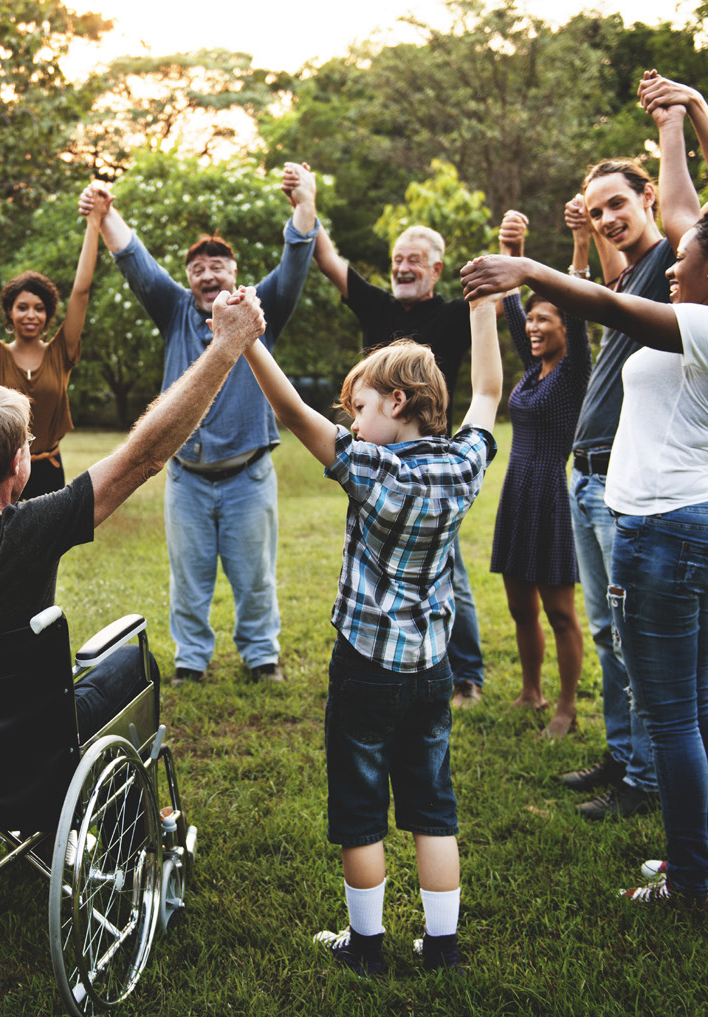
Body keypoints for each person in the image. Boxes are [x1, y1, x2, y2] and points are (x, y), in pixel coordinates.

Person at [461, 75, 708, 908]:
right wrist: (675, 120)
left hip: (668, 531)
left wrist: (529, 267)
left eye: (685, 261)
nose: (672, 268)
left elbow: (606, 302)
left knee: (674, 716)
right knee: (694, 704)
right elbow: (688, 212)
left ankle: (687, 879)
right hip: (705, 521)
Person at [0, 231, 269, 730]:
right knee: (135, 664)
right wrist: (227, 346)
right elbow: (144, 456)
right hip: (27, 734)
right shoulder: (33, 529)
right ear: (21, 464)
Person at [239, 278, 503, 977]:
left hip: (363, 666)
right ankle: (441, 947)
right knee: (432, 807)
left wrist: (249, 343)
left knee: (359, 806)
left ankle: (367, 945)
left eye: (358, 408)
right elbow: (486, 395)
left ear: (396, 403)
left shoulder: (371, 468)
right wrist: (482, 314)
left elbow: (294, 414)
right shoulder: (463, 464)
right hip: (430, 669)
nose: (351, 422)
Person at [556, 72, 708, 820]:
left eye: (617, 204)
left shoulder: (678, 268)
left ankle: (647, 782)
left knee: (646, 659)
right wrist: (582, 233)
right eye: (596, 207)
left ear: (648, 202)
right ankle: (625, 754)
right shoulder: (651, 271)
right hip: (594, 473)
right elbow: (608, 277)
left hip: (642, 496)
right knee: (611, 637)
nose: (608, 217)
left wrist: (681, 118)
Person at [84, 164, 319, 685]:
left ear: (234, 272)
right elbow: (134, 260)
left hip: (249, 476)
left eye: (218, 265)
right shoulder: (173, 312)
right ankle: (192, 662)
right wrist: (106, 212)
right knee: (188, 580)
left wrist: (305, 202)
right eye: (198, 269)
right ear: (189, 279)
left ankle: (262, 658)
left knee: (254, 578)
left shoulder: (261, 311)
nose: (208, 275)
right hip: (186, 478)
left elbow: (297, 257)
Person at [299, 173, 485, 706]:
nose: (403, 267)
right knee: (375, 557)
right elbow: (329, 261)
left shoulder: (452, 314)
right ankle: (380, 651)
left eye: (415, 260)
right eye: (398, 258)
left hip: (430, 464)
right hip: (374, 459)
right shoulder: (378, 306)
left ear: (437, 269)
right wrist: (309, 204)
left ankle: (465, 673)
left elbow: (492, 358)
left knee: (447, 567)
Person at [488, 209, 591, 739]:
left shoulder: (574, 371)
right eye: (530, 320)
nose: (531, 325)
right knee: (519, 605)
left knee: (559, 610)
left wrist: (578, 246)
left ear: (564, 328)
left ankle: (567, 708)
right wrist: (513, 248)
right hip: (516, 491)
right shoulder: (533, 370)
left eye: (543, 319)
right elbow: (508, 304)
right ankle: (531, 691)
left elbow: (575, 301)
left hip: (551, 491)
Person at [0, 191, 105, 500]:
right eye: (22, 307)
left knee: (48, 549)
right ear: (9, 312)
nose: (30, 315)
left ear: (49, 315)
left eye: (39, 308)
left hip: (48, 468)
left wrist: (94, 222)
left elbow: (81, 291)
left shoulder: (61, 352)